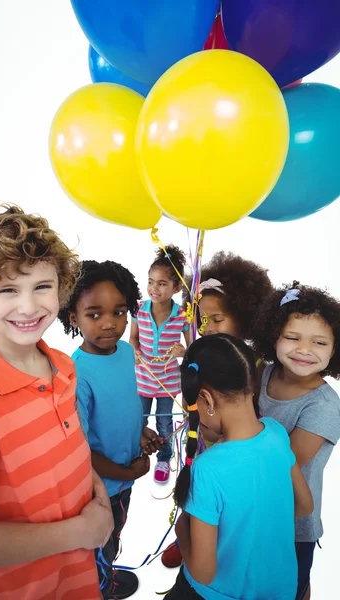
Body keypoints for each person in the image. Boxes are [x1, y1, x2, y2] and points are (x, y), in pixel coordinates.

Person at [0, 204, 113, 600]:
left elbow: (64, 448)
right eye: (7, 290)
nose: (29, 307)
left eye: (41, 286)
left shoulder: (64, 367)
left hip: (80, 576)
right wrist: (80, 532)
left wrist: (93, 487)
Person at [164, 334, 313, 600]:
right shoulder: (277, 434)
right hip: (280, 590)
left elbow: (202, 572)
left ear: (206, 401)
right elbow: (304, 506)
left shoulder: (206, 470)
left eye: (191, 405)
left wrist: (180, 531)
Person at [59, 259, 163, 600]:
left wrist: (140, 433)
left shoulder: (123, 352)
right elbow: (80, 449)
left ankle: (106, 575)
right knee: (100, 543)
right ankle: (100, 589)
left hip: (123, 479)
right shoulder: (77, 373)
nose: (110, 324)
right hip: (101, 488)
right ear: (73, 317)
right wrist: (126, 471)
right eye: (94, 314)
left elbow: (122, 406)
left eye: (119, 312)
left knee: (114, 537)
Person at [162, 251, 273, 567]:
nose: (206, 326)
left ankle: (210, 551)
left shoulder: (256, 367)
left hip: (230, 459)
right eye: (201, 318)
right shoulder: (199, 355)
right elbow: (189, 402)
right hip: (199, 447)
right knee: (193, 491)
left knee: (223, 511)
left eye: (218, 319)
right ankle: (187, 533)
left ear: (244, 315)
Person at [253, 282, 340, 600]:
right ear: (272, 336)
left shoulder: (325, 405)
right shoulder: (262, 372)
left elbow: (286, 461)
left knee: (291, 587)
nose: (304, 350)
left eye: (319, 342)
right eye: (292, 337)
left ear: (335, 349)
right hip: (251, 506)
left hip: (292, 522)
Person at [130, 245, 189, 484]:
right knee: (137, 420)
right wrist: (134, 350)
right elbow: (133, 338)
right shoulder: (139, 310)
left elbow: (191, 348)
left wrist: (182, 351)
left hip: (167, 383)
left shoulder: (182, 316)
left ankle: (164, 457)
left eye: (162, 284)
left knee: (164, 424)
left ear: (176, 288)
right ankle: (135, 452)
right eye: (151, 282)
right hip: (142, 379)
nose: (154, 289)